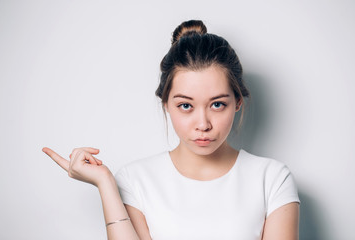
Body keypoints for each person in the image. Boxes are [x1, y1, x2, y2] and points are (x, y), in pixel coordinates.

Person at [43, 20, 300, 240]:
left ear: (238, 102)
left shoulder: (272, 180)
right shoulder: (135, 180)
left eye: (217, 104)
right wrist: (105, 184)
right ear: (166, 104)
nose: (203, 124)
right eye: (186, 105)